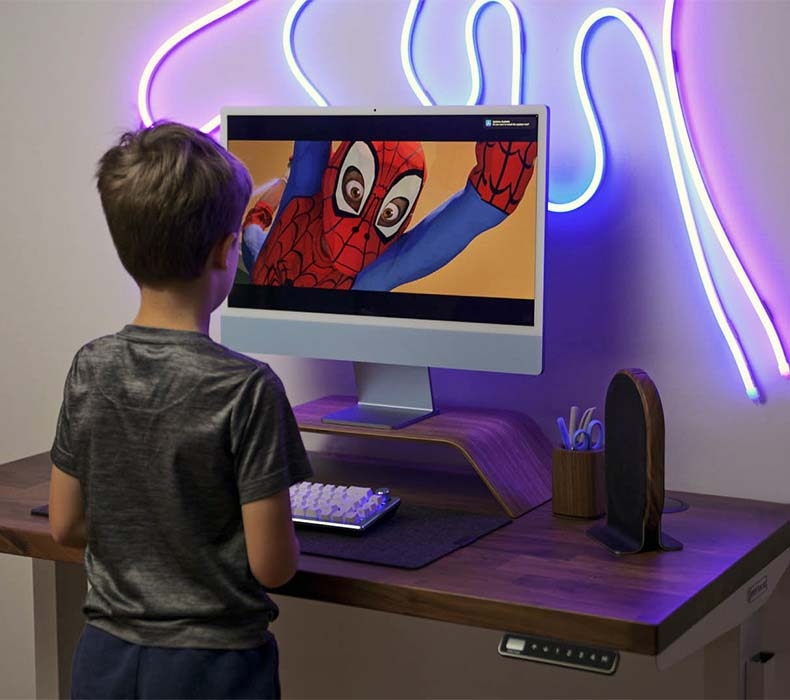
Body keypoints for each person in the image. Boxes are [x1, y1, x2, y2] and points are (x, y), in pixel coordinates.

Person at [48, 121, 313, 699]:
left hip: (104, 660)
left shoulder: (91, 366)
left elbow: (66, 524)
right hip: (211, 671)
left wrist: (149, 538)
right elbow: (273, 566)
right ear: (226, 251)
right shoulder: (247, 388)